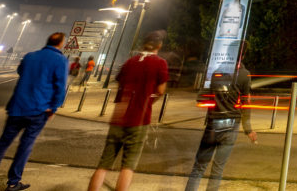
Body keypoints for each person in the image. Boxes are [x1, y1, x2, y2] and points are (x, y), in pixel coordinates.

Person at [0, 32, 68, 191]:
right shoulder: (60, 60)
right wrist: (53, 108)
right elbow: (60, 88)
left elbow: (20, 71)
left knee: (2, 144)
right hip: (39, 110)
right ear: (60, 44)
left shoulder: (30, 56)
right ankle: (13, 182)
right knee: (25, 146)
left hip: (17, 107)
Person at [87, 31, 169, 191]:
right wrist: (149, 99)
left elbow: (120, 84)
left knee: (104, 164)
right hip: (139, 118)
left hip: (118, 118)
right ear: (159, 46)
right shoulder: (160, 63)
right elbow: (160, 90)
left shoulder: (129, 62)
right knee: (128, 166)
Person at [185, 62, 257, 191]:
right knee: (218, 169)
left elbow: (202, 98)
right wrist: (248, 129)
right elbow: (246, 102)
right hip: (231, 124)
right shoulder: (244, 74)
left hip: (213, 123)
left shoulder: (216, 72)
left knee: (199, 166)